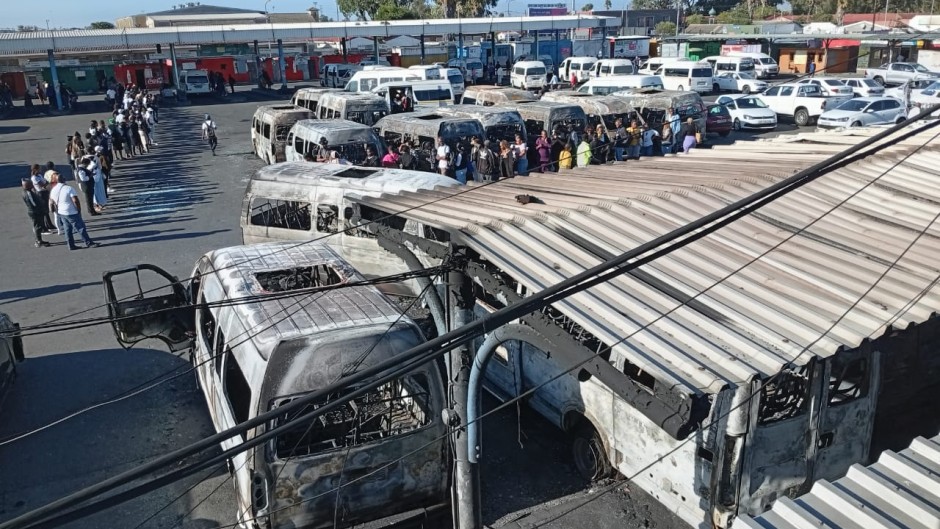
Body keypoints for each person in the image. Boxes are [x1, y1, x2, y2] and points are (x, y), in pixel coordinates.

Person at [48, 171, 99, 250]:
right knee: (80, 228)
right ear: (64, 179)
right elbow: (75, 200)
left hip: (61, 212)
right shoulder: (69, 188)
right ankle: (88, 242)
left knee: (67, 229)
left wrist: (53, 210)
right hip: (71, 211)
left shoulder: (54, 189)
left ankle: (71, 245)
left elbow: (51, 201)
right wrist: (78, 210)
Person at [22, 179, 50, 248]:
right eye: (31, 184)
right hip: (35, 212)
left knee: (37, 226)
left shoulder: (27, 191)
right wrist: (41, 208)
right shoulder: (28, 193)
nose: (32, 185)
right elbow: (34, 204)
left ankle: (39, 240)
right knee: (37, 226)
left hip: (35, 211)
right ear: (27, 186)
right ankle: (39, 241)